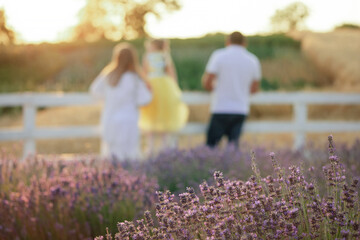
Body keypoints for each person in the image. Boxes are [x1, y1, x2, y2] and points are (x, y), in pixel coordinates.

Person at [89, 43, 152, 161]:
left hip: (110, 120)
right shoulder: (135, 78)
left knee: (111, 155)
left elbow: (94, 90)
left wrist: (108, 97)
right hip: (129, 120)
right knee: (130, 156)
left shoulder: (108, 75)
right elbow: (145, 99)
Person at [202, 31, 261, 148]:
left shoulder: (219, 56)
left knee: (211, 147)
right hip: (240, 109)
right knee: (233, 148)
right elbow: (254, 88)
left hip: (220, 107)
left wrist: (214, 89)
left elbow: (208, 82)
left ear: (227, 42)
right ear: (244, 43)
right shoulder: (252, 60)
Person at [139, 39, 189, 154]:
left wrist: (145, 86)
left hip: (152, 85)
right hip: (164, 87)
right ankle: (164, 147)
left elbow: (144, 72)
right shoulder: (165, 56)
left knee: (151, 116)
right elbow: (171, 73)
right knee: (164, 117)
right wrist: (175, 89)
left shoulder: (147, 56)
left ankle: (150, 146)